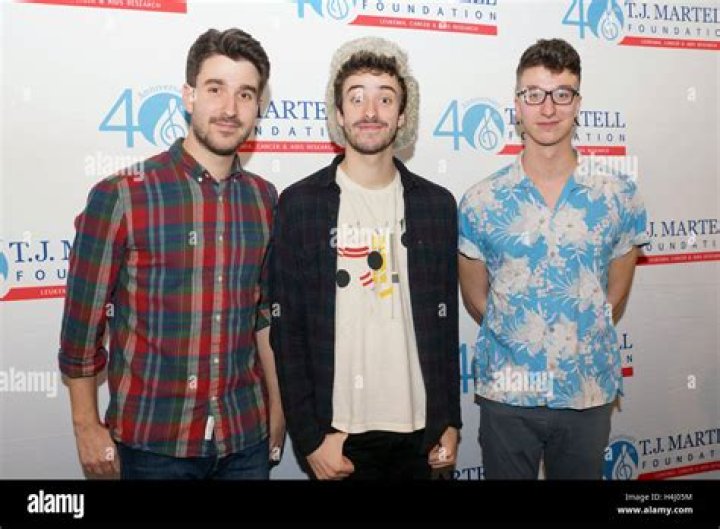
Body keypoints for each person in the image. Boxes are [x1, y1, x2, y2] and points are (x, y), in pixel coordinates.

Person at [59, 28, 284, 479]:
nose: (229, 109)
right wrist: (86, 426)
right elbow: (82, 328)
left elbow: (263, 318)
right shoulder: (122, 195)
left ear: (258, 106)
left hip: (245, 438)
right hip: (153, 446)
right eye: (215, 89)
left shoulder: (264, 199)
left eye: (245, 94)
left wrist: (277, 411)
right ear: (188, 96)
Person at [270, 37, 461, 480]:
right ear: (338, 113)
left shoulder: (436, 206)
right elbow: (288, 332)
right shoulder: (300, 204)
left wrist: (449, 420)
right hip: (339, 437)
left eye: (385, 99)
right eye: (356, 98)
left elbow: (444, 324)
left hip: (421, 435)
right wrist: (310, 438)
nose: (370, 111)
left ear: (403, 115)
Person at [458, 38, 648, 479]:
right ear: (517, 104)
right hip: (507, 394)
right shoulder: (481, 201)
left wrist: (575, 330)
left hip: (586, 391)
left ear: (577, 103)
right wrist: (523, 336)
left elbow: (615, 294)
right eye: (534, 94)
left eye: (561, 94)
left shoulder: (618, 195)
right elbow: (477, 298)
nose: (547, 108)